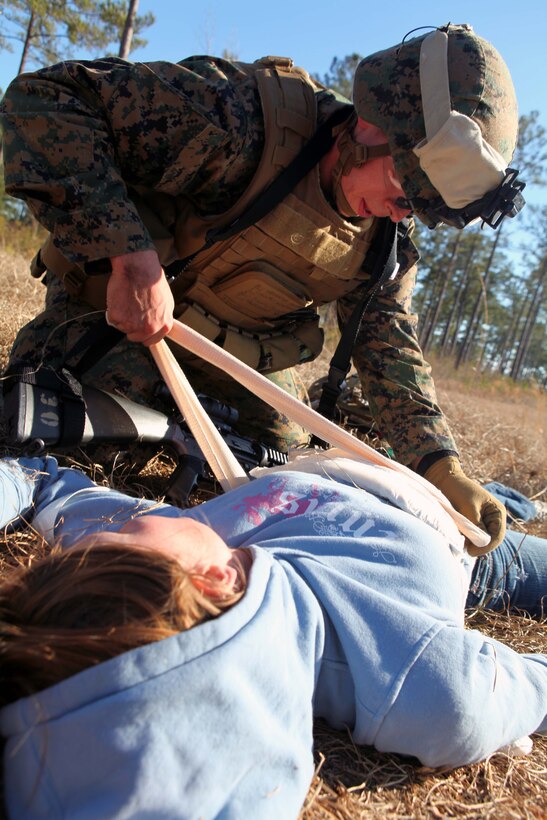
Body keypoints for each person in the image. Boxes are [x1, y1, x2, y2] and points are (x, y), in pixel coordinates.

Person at [0, 23, 526, 555]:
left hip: (238, 366)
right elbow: (47, 101)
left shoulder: (387, 241)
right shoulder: (240, 119)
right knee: (73, 441)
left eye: (418, 206)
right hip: (122, 327)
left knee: (285, 477)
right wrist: (128, 254)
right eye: (403, 188)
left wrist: (441, 466)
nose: (401, 211)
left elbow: (389, 348)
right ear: (372, 127)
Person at [0, 453, 545, 818]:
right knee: (507, 524)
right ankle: (521, 506)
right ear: (216, 577)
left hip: (334, 458)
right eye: (119, 535)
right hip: (455, 534)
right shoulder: (416, 678)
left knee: (495, 496)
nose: (110, 525)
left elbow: (39, 480)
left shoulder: (170, 572)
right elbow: (518, 685)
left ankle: (514, 499)